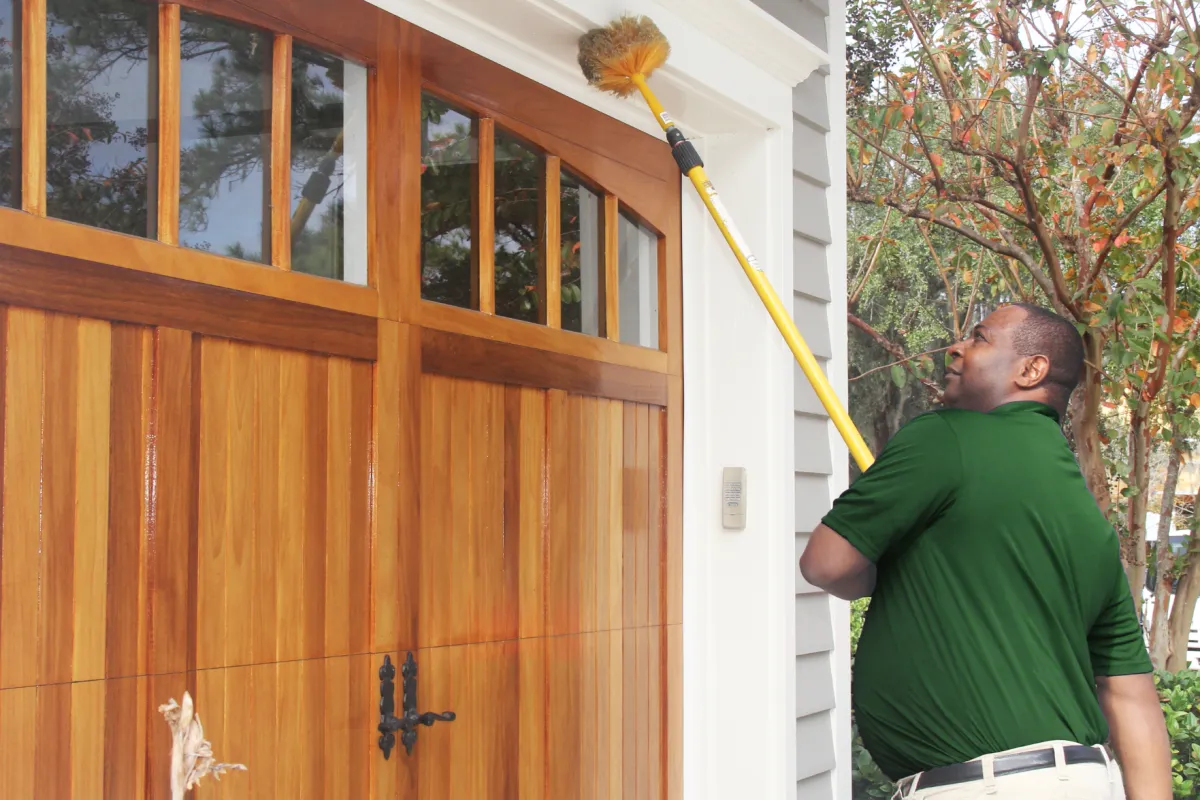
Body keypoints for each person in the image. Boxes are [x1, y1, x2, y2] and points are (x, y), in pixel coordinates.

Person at [800, 303, 1172, 799]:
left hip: (985, 786)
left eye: (979, 338)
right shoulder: (1089, 521)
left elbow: (826, 564)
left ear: (1031, 369)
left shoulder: (944, 437)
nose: (955, 346)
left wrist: (877, 571)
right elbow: (1131, 697)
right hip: (1084, 780)